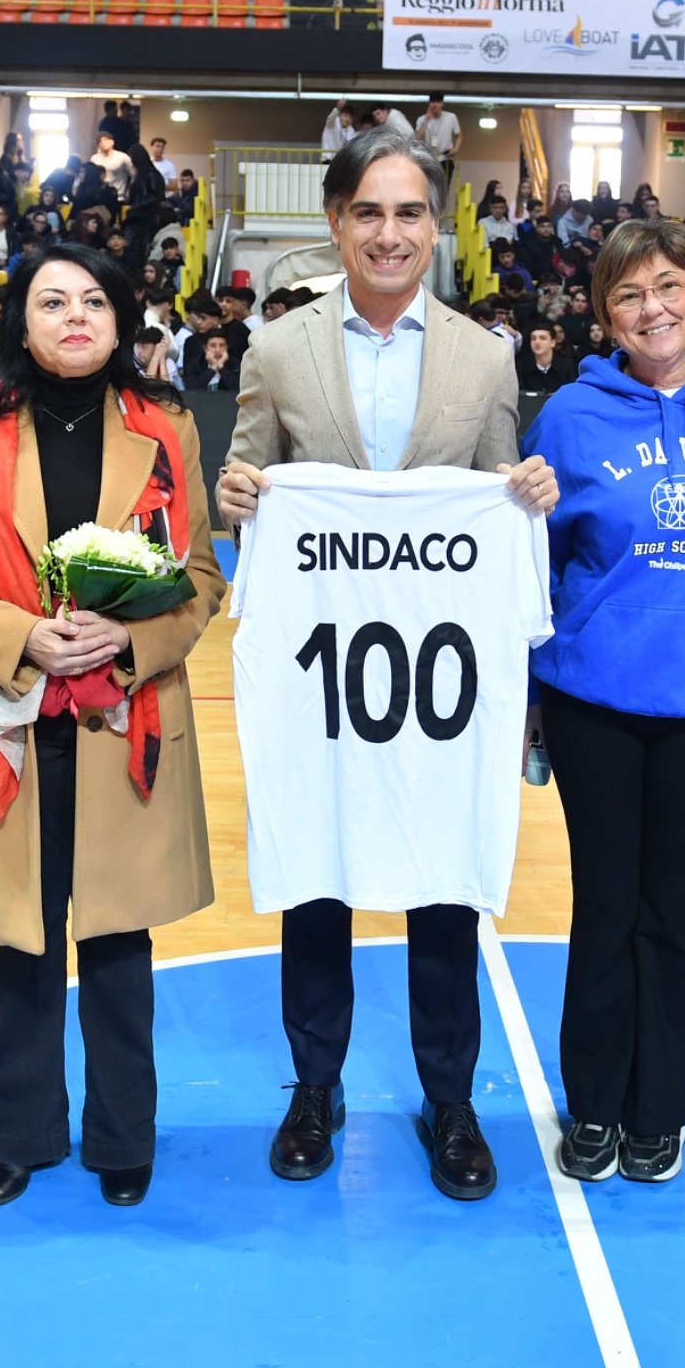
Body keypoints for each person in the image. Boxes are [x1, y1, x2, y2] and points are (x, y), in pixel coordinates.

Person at [215, 131, 558, 1202]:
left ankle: (448, 1098)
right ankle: (314, 1087)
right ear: (335, 221)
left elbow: (496, 496)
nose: (389, 232)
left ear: (435, 225)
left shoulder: (484, 355)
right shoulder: (277, 349)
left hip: (436, 684)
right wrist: (233, 494)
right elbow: (247, 476)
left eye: (409, 212)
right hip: (323, 675)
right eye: (368, 210)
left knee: (441, 881)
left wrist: (526, 492)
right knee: (315, 877)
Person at [0, 243, 227, 1210]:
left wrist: (126, 641)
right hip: (10, 712)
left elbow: (201, 577)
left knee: (120, 946)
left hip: (123, 711)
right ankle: (21, 1136)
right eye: (52, 301)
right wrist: (24, 636)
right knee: (21, 944)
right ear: (21, 322)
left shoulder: (166, 428)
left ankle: (124, 1137)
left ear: (120, 321)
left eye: (93, 301)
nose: (75, 316)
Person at [518, 218, 685, 1185]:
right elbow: (534, 567)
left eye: (669, 286)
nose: (652, 308)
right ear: (604, 315)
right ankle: (594, 1104)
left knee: (676, 905)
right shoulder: (569, 417)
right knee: (604, 902)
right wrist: (530, 699)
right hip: (593, 697)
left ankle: (659, 1111)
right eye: (628, 294)